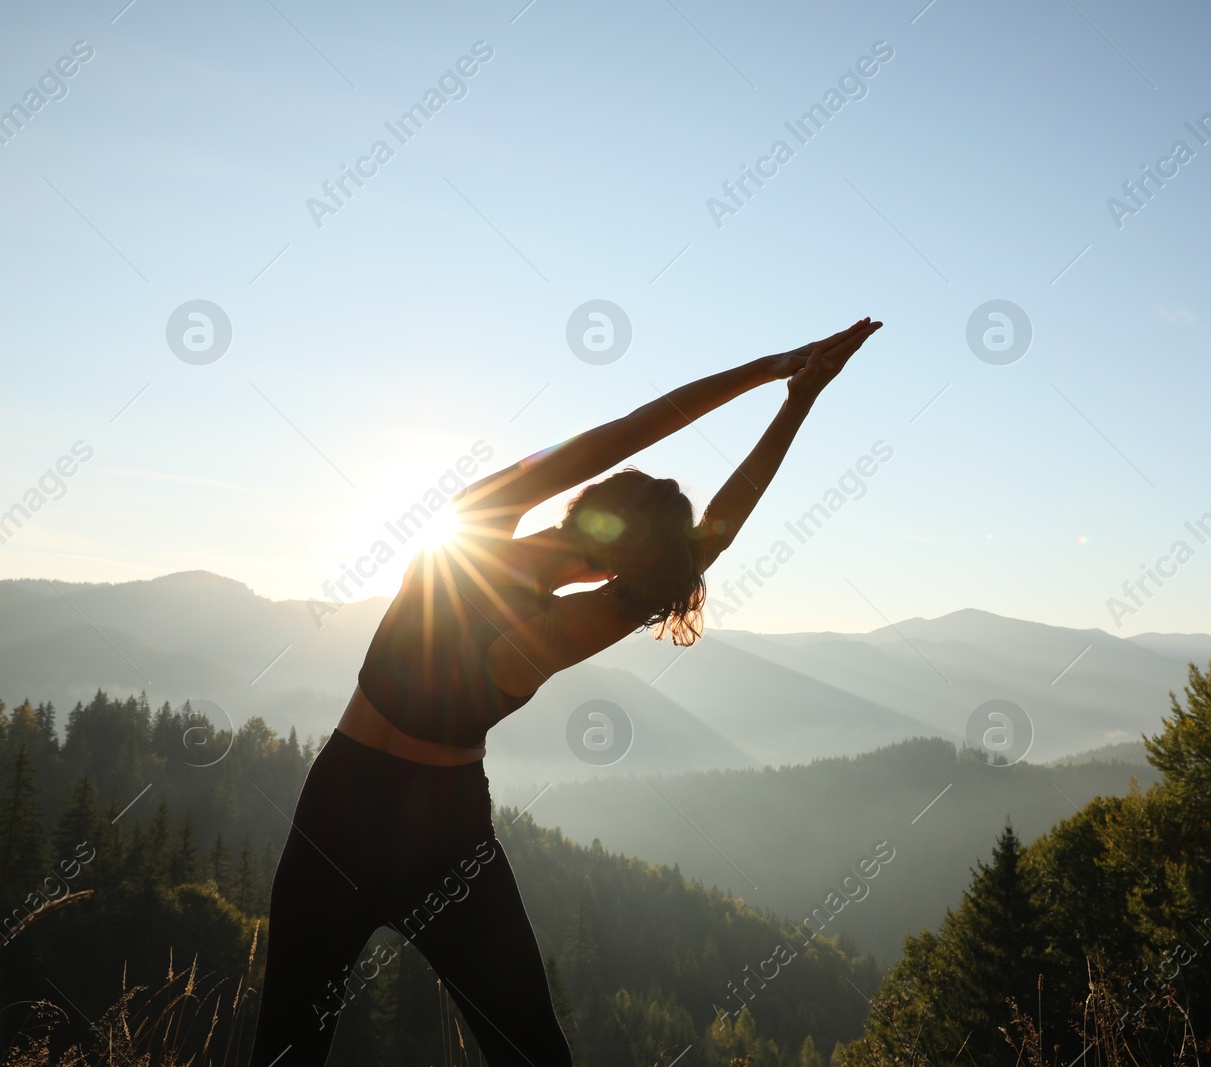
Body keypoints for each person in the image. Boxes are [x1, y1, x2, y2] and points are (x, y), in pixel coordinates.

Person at [245, 317, 884, 1066]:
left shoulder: (473, 525)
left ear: (589, 501)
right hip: (443, 837)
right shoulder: (566, 627)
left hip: (339, 806)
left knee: (286, 1048)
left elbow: (632, 429)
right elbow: (716, 533)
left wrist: (773, 367)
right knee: (533, 1054)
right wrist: (797, 402)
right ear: (634, 571)